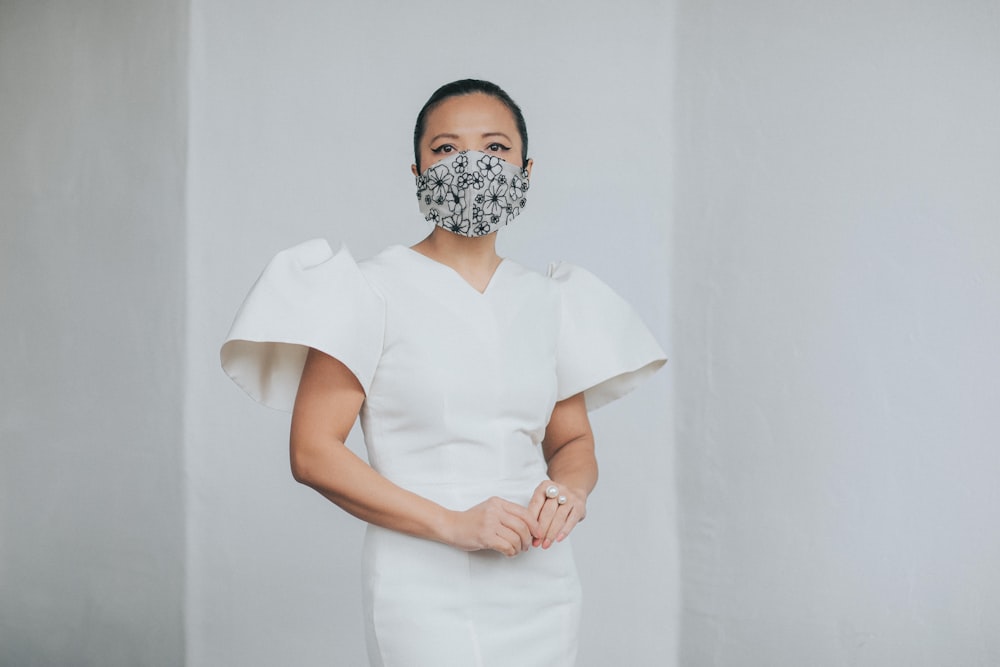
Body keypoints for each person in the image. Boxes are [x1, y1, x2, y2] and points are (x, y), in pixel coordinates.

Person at [221, 79, 666, 666]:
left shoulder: (548, 299)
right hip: (422, 581)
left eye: (495, 148)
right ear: (417, 171)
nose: (473, 165)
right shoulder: (368, 290)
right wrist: (454, 525)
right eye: (447, 150)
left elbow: (574, 440)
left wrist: (570, 491)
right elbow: (312, 453)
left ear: (526, 169)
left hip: (541, 577)